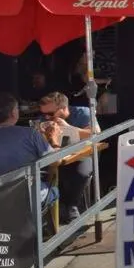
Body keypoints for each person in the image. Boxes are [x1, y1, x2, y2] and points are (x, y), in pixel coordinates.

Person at [39, 91, 100, 223]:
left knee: (80, 173)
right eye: (44, 114)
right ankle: (55, 207)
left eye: (50, 114)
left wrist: (68, 127)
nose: (46, 117)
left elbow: (95, 133)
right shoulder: (45, 119)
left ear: (63, 109)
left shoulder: (82, 112)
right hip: (56, 155)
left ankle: (71, 205)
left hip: (82, 154)